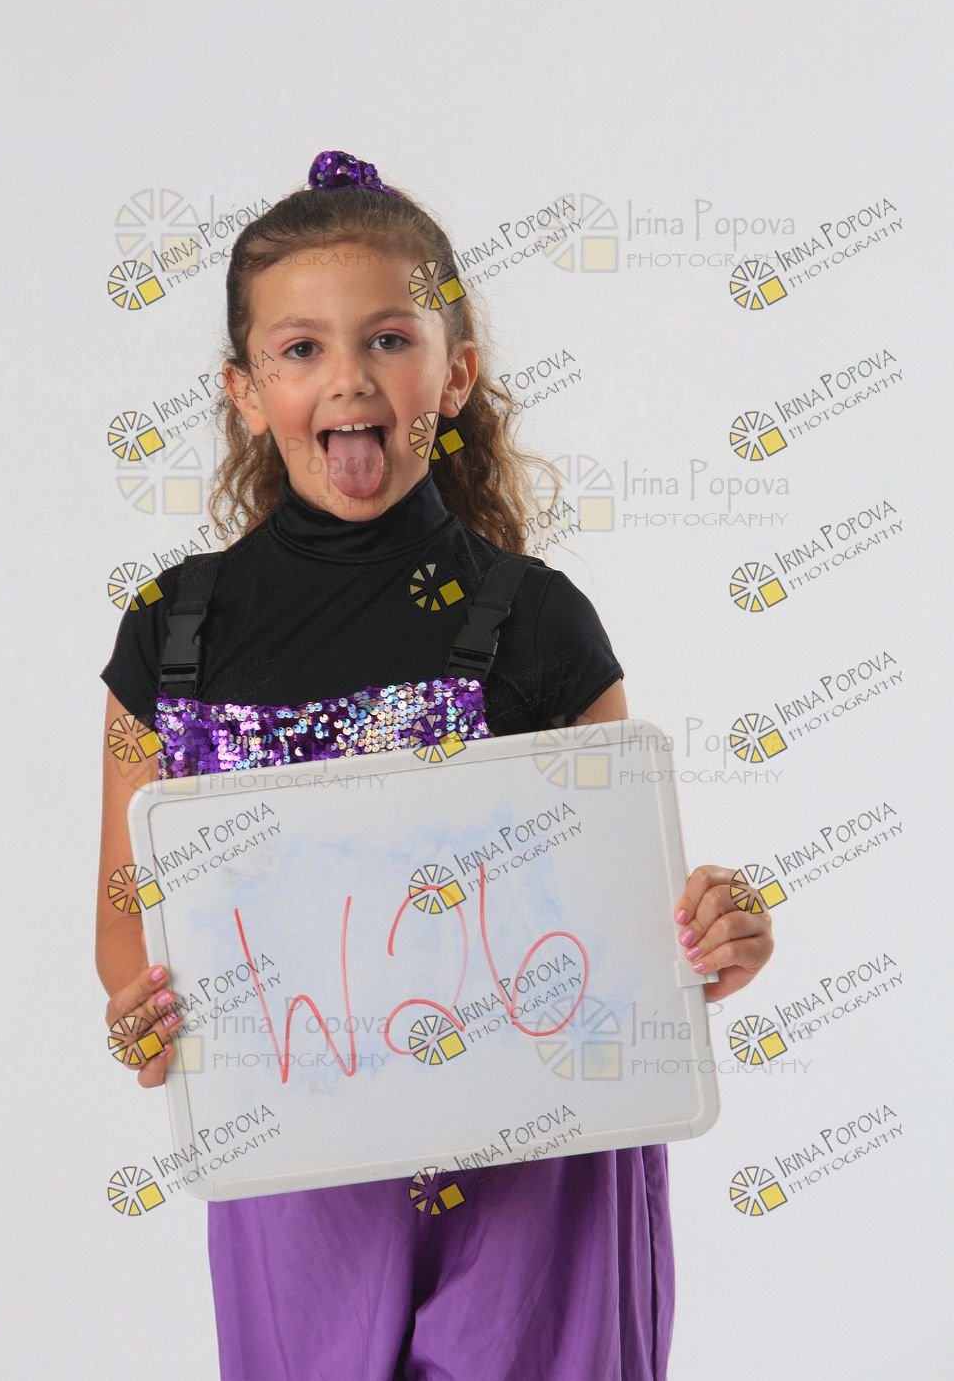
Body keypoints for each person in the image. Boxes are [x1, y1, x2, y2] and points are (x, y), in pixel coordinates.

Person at [96, 149, 774, 1381]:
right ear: (245, 389)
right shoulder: (170, 632)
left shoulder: (539, 622)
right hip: (295, 1176)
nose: (347, 378)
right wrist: (143, 1014)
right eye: (300, 348)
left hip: (538, 1168)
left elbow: (629, 919)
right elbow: (122, 916)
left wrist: (711, 935)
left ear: (453, 373)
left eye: (389, 339)